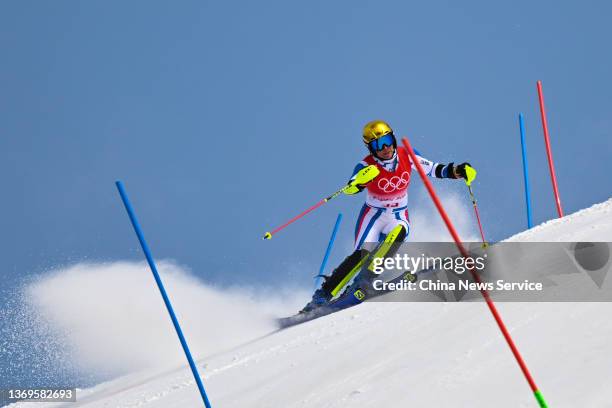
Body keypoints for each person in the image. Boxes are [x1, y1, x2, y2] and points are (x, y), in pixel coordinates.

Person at [301, 119, 476, 312]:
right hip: (373, 216)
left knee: (397, 234)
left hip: (398, 214)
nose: (385, 148)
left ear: (393, 138)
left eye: (387, 140)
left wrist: (458, 171)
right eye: (377, 144)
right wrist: (360, 181)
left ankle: (364, 282)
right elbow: (350, 188)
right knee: (362, 255)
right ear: (370, 148)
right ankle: (322, 296)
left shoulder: (406, 154)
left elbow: (434, 169)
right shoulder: (366, 165)